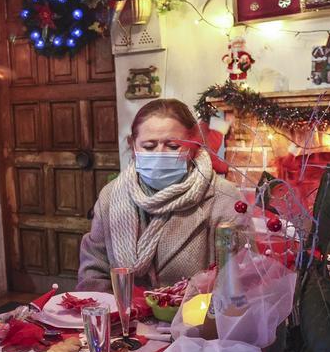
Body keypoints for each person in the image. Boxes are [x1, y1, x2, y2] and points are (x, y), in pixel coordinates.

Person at [78, 99, 243, 291]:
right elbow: (93, 273)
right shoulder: (111, 196)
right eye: (148, 146)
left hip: (194, 318)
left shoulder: (224, 197)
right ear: (133, 147)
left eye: (172, 146)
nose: (159, 154)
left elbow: (237, 281)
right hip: (123, 317)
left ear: (193, 146)